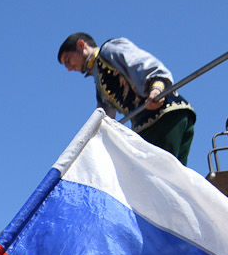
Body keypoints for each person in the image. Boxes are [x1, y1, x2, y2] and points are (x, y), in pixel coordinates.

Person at [56, 31, 196, 164]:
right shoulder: (99, 80)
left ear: (81, 45)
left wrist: (156, 88)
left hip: (161, 116)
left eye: (68, 60)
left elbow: (141, 63)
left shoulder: (109, 50)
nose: (69, 68)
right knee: (175, 177)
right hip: (164, 119)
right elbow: (105, 118)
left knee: (158, 175)